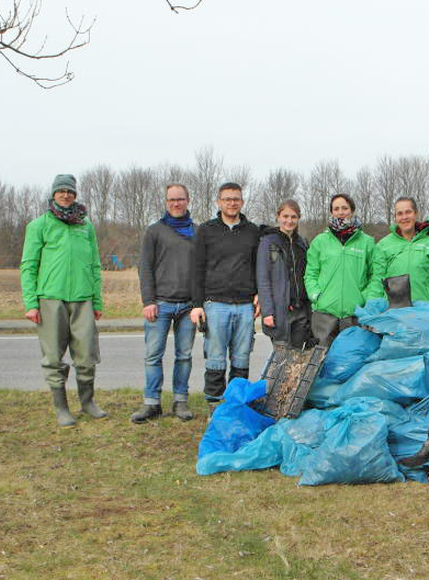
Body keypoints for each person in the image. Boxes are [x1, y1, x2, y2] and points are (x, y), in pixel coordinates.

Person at [20, 174, 106, 427]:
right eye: (61, 191)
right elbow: (28, 266)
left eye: (70, 191)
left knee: (86, 355)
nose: (66, 195)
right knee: (54, 358)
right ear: (53, 194)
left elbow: (94, 265)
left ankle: (88, 402)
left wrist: (97, 301)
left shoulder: (85, 226)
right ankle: (62, 408)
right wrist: (31, 303)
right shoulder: (39, 225)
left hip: (83, 299)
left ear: (75, 195)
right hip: (50, 299)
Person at [190, 182, 261, 414]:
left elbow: (258, 266)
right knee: (216, 358)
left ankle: (237, 405)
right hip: (215, 304)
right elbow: (196, 268)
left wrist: (259, 293)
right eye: (227, 199)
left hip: (244, 306)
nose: (232, 203)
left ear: (242, 202)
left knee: (241, 358)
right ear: (219, 202)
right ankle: (215, 407)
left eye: (236, 199)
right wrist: (197, 305)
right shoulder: (206, 230)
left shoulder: (252, 231)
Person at [131, 183, 197, 424]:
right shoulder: (154, 232)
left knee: (184, 356)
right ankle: (152, 402)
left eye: (180, 199)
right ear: (166, 202)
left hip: (188, 306)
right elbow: (145, 268)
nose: (176, 203)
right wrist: (148, 300)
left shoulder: (196, 232)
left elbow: (201, 271)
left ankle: (180, 400)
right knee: (153, 355)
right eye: (171, 200)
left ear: (188, 201)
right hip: (160, 304)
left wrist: (199, 303)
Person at [366, 196, 429, 323]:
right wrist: (371, 309)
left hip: (427, 313)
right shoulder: (383, 245)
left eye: (408, 212)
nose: (404, 217)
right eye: (399, 213)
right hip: (395, 315)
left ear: (415, 214)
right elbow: (377, 281)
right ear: (395, 217)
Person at [304, 193, 374, 345]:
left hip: (354, 314)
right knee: (322, 361)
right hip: (325, 314)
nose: (341, 212)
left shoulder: (367, 242)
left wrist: (363, 297)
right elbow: (310, 273)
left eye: (345, 208)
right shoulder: (320, 241)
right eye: (336, 209)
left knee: (352, 360)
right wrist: (317, 296)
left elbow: (374, 276)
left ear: (352, 210)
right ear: (331, 212)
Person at [256, 199, 312, 348]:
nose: (289, 221)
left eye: (293, 217)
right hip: (280, 310)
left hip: (301, 310)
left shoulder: (302, 243)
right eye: (285, 216)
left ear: (298, 218)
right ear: (278, 217)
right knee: (281, 360)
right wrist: (267, 312)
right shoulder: (268, 241)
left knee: (297, 359)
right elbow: (263, 279)